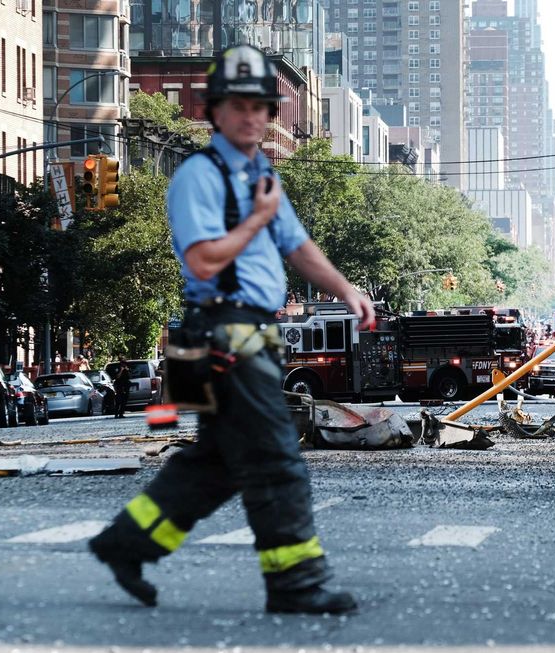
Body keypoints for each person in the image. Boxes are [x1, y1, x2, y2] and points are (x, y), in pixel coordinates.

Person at [89, 44, 375, 615]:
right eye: (239, 105)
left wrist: (346, 290)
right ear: (214, 111)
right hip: (223, 334)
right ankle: (295, 583)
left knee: (218, 463)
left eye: (261, 107)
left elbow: (296, 245)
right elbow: (202, 262)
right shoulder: (200, 176)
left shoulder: (262, 176)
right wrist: (255, 222)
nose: (252, 116)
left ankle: (126, 543)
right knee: (276, 459)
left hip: (249, 336)